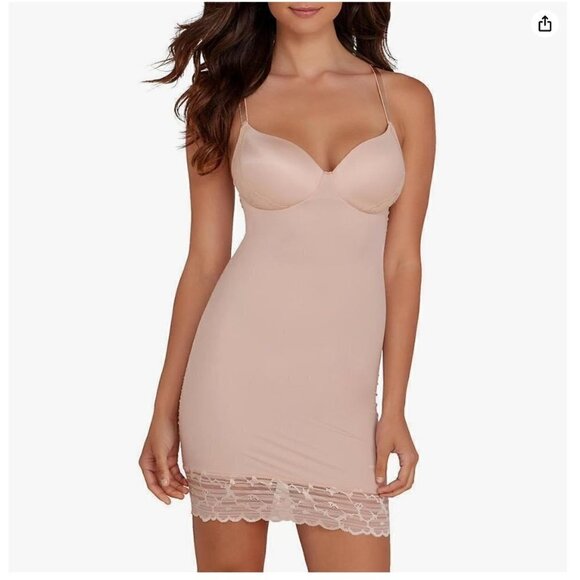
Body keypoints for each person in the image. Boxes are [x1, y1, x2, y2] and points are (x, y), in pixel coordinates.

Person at [139, 2, 435, 572]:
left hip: (343, 401)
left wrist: (394, 407)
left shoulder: (404, 100)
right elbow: (204, 261)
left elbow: (403, 262)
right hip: (231, 384)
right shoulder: (221, 100)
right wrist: (163, 409)